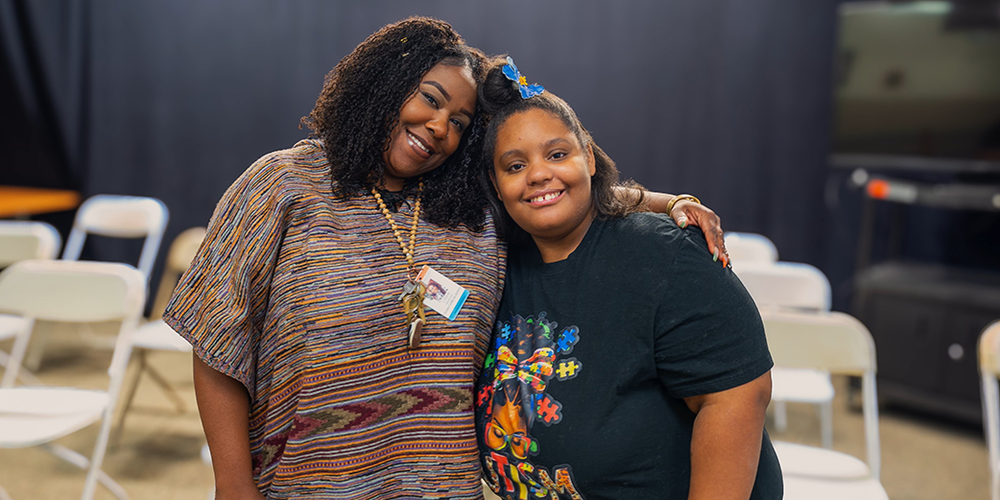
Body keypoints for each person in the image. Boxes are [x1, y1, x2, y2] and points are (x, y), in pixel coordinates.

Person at [164, 18, 728, 500]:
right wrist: (233, 484)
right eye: (431, 100)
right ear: (384, 85)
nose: (439, 128)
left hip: (441, 485)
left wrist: (670, 202)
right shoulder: (282, 185)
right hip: (308, 481)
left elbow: (557, 190)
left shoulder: (469, 208)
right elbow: (219, 343)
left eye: (459, 122)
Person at [473, 58, 782, 500]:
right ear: (496, 182)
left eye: (558, 154)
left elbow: (737, 397)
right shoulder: (498, 257)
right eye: (515, 165)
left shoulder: (664, 255)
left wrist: (673, 202)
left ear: (589, 158)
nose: (539, 173)